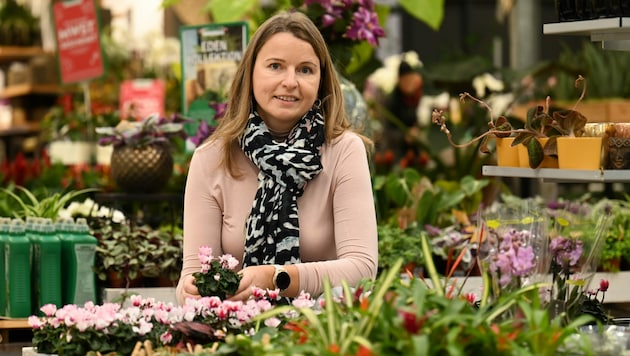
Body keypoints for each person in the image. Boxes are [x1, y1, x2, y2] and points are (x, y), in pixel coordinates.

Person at [176, 11, 378, 304]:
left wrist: (276, 278)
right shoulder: (211, 159)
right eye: (275, 66)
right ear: (250, 73)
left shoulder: (344, 151)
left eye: (305, 70)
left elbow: (361, 268)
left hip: (326, 332)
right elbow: (191, 279)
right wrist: (194, 290)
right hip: (239, 333)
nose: (290, 81)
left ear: (321, 80)